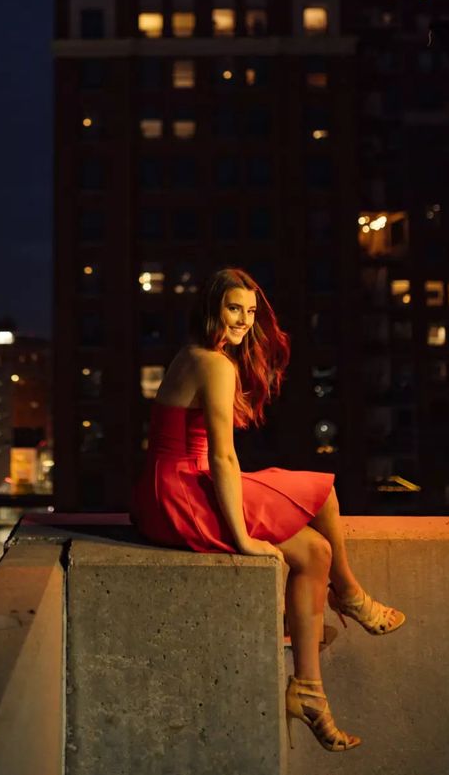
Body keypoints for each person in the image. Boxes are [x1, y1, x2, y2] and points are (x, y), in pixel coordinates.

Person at [130, 266, 405, 752]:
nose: (242, 320)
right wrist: (241, 539)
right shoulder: (214, 364)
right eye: (234, 308)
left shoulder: (194, 353)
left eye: (250, 311)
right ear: (212, 307)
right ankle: (352, 597)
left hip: (165, 488)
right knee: (321, 493)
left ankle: (309, 691)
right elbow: (222, 457)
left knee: (316, 550)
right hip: (181, 491)